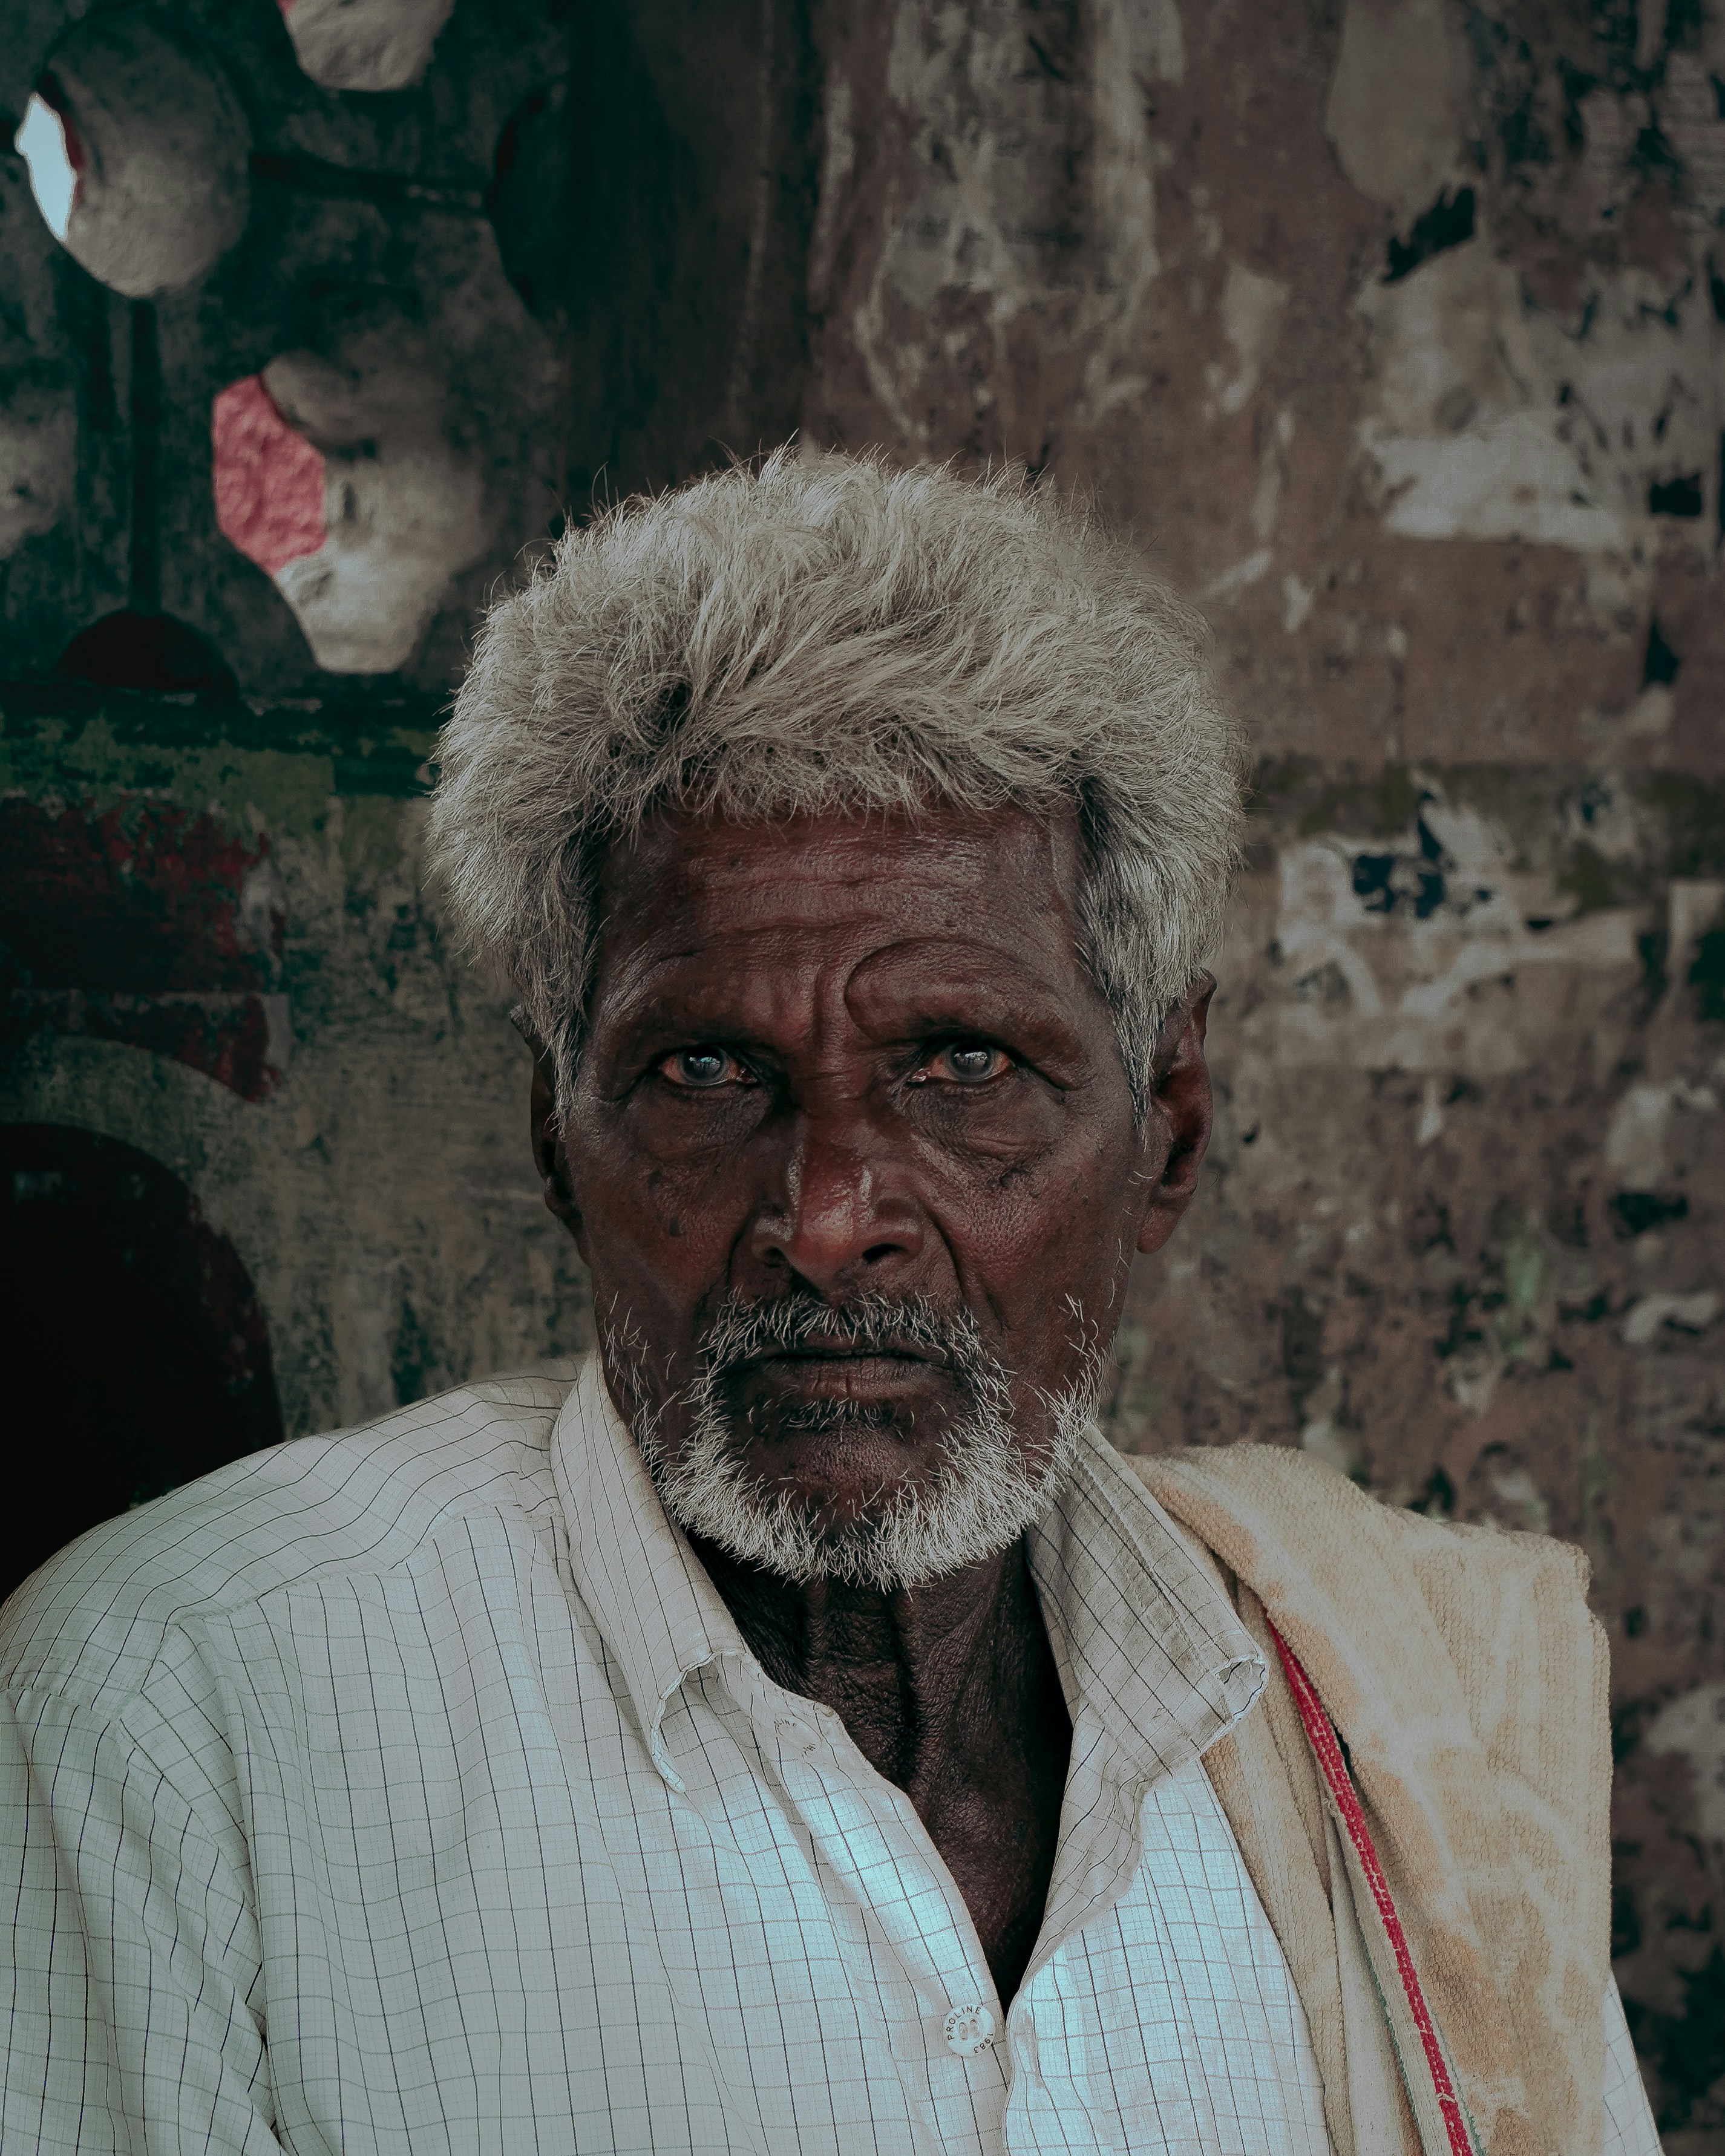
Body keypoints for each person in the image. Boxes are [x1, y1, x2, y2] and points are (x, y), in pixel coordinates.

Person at [0, 451, 1658, 2155]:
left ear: (1165, 1130)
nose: (827, 1215)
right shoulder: (179, 1713)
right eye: (705, 1068)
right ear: (553, 1137)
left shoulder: (1390, 1736)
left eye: (962, 1063)